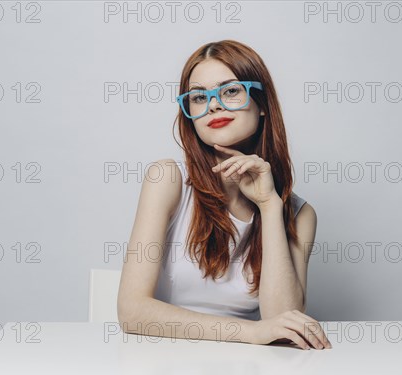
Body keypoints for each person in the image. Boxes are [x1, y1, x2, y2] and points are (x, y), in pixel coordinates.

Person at [117, 39, 331, 350]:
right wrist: (252, 332)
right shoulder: (167, 178)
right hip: (161, 361)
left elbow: (284, 323)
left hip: (246, 371)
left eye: (230, 90)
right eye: (199, 97)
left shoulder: (301, 214)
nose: (214, 105)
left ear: (261, 105)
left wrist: (270, 205)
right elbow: (132, 312)